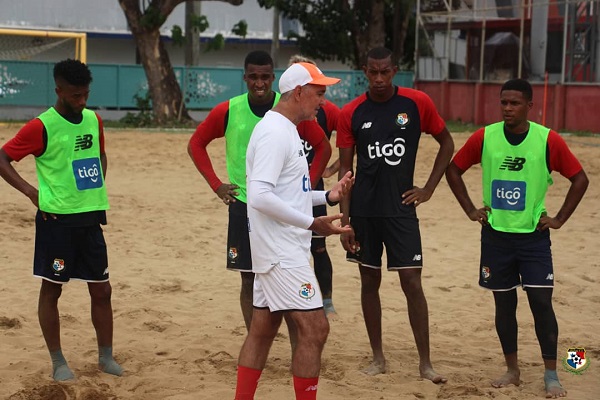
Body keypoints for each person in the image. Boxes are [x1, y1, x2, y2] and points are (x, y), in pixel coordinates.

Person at [445, 79, 588, 398]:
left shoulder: (547, 139)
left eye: (515, 103)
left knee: (540, 303)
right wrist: (470, 209)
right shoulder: (485, 136)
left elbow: (580, 179)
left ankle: (552, 374)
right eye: (504, 103)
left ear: (529, 106)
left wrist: (559, 219)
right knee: (504, 305)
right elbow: (453, 170)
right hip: (495, 238)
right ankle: (512, 370)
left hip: (534, 239)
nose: (508, 108)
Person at [188, 50, 332, 333]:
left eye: (265, 77)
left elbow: (324, 147)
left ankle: (288, 334)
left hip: (281, 207)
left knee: (287, 272)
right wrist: (217, 185)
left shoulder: (292, 107)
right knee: (248, 278)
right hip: (244, 204)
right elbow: (196, 144)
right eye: (253, 77)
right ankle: (256, 336)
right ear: (244, 78)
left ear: (273, 78)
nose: (259, 83)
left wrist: (307, 185)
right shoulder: (229, 110)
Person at [235, 62, 353, 400]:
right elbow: (258, 196)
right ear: (298, 92)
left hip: (279, 249)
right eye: (319, 93)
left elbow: (289, 192)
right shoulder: (275, 132)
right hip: (282, 252)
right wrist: (311, 222)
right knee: (316, 329)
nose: (323, 102)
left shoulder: (285, 128)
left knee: (262, 330)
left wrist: (327, 196)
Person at [0, 59, 123, 381]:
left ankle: (105, 357)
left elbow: (100, 154)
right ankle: (58, 362)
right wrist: (29, 190)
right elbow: (3, 157)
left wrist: (97, 186)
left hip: (91, 218)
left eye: (85, 94)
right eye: (75, 96)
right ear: (58, 91)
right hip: (56, 222)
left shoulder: (94, 121)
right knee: (52, 291)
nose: (82, 101)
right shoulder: (41, 126)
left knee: (102, 290)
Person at [336, 47, 453, 382]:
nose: (379, 79)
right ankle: (378, 357)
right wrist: (345, 222)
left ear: (395, 70)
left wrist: (428, 188)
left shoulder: (417, 103)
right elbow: (345, 170)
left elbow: (447, 142)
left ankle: (425, 364)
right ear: (364, 71)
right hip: (364, 213)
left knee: (411, 282)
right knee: (369, 281)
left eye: (385, 71)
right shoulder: (352, 112)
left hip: (401, 211)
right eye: (372, 72)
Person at [289, 54, 342, 317]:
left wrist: (328, 170)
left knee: (318, 247)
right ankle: (296, 301)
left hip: (314, 190)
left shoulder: (327, 111)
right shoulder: (281, 116)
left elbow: (345, 139)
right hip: (287, 194)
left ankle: (327, 301)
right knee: (291, 249)